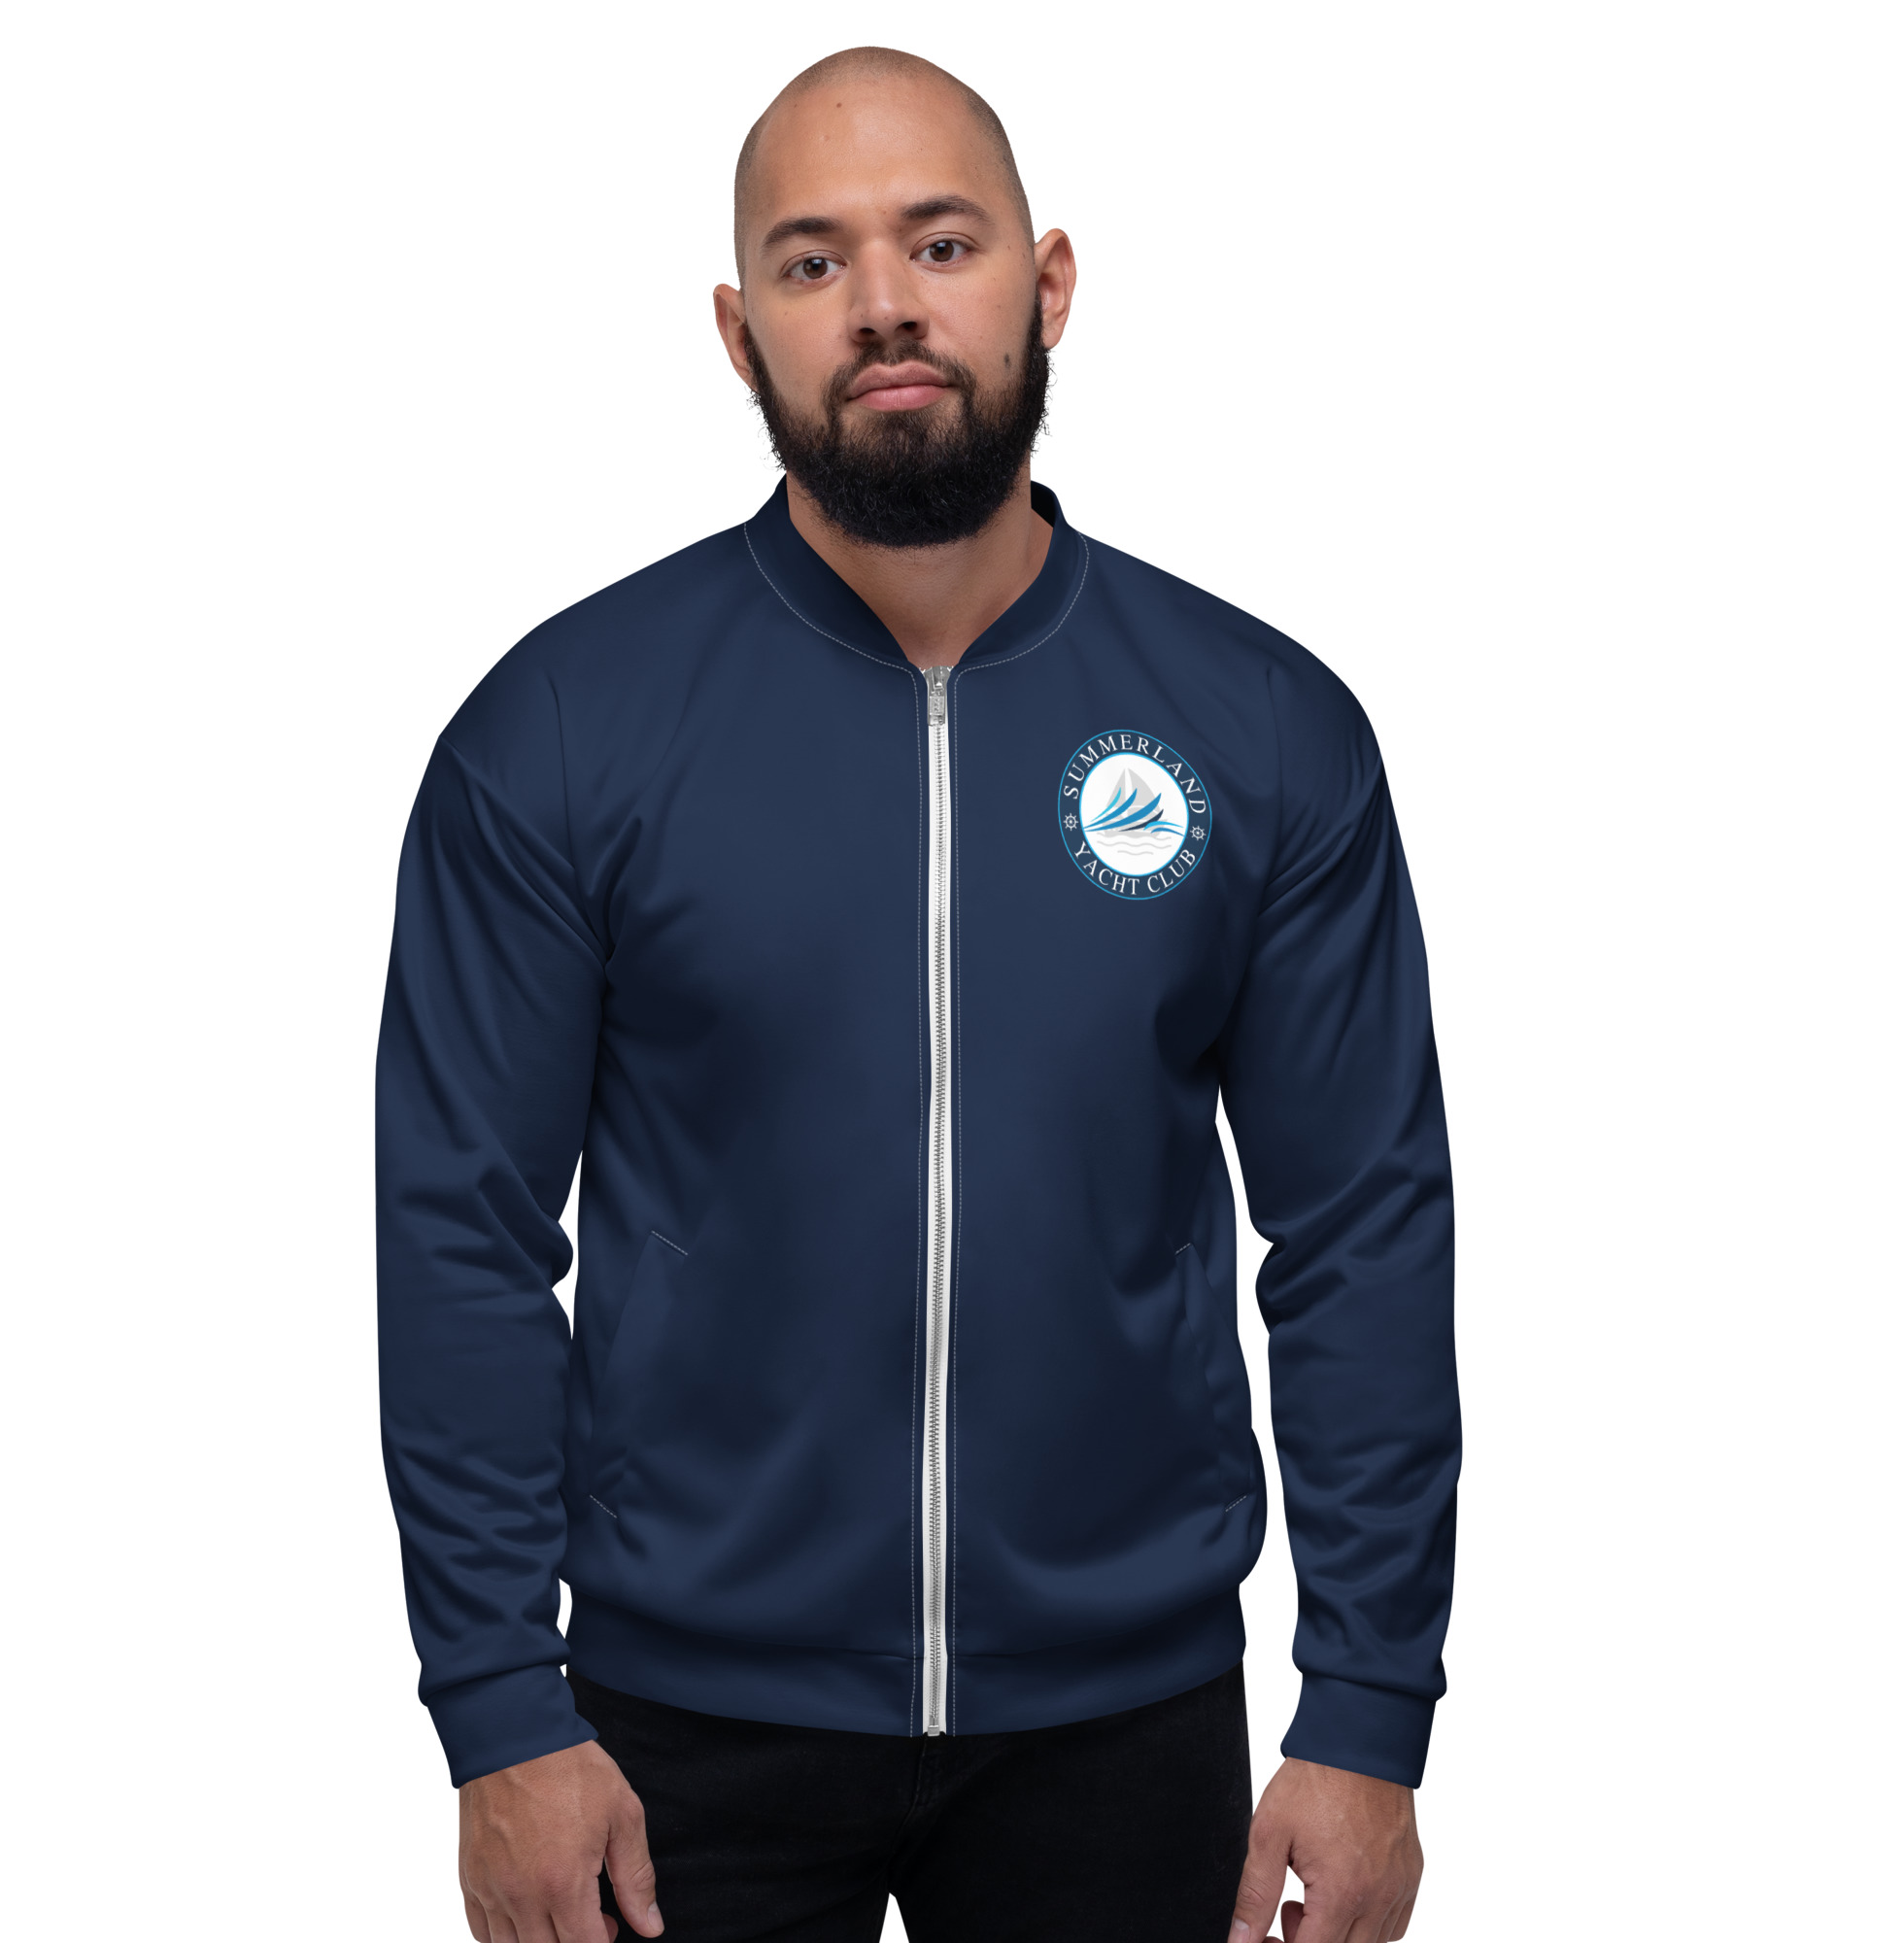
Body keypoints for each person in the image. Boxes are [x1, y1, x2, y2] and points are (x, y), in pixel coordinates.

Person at [376, 45, 1458, 1943]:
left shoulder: (1263, 729)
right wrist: (496, 1707)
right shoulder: (560, 733)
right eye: (812, 262)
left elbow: (1361, 1227)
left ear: (1048, 284)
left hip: (1121, 1720)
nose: (883, 304)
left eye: (939, 243)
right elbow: (459, 1231)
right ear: (740, 334)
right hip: (668, 1729)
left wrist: (1367, 1713)